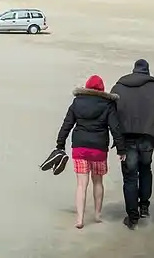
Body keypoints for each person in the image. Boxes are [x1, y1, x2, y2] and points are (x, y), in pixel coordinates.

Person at [56, 75, 125, 229]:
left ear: (87, 87)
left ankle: (80, 219)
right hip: (99, 149)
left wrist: (60, 144)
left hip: (79, 148)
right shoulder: (108, 104)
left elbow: (67, 124)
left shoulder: (77, 102)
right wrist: (121, 149)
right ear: (102, 89)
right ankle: (97, 215)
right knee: (98, 182)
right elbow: (115, 128)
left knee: (81, 184)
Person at [110, 59, 154, 230]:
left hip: (126, 138)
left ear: (133, 70)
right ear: (147, 71)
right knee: (145, 170)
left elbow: (111, 113)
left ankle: (132, 218)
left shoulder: (119, 87)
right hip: (146, 137)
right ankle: (144, 207)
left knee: (130, 177)